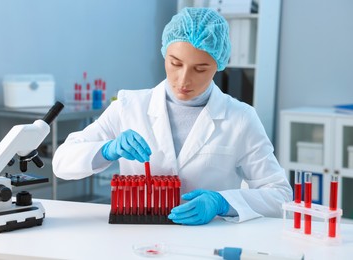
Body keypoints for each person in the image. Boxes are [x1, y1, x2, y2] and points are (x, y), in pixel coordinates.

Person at [53, 7, 292, 225]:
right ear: (164, 54)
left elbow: (279, 194)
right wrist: (106, 149)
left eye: (200, 69)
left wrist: (223, 202)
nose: (184, 79)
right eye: (175, 63)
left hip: (207, 240)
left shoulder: (241, 118)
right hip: (138, 238)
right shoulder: (128, 106)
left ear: (219, 64)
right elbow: (61, 163)